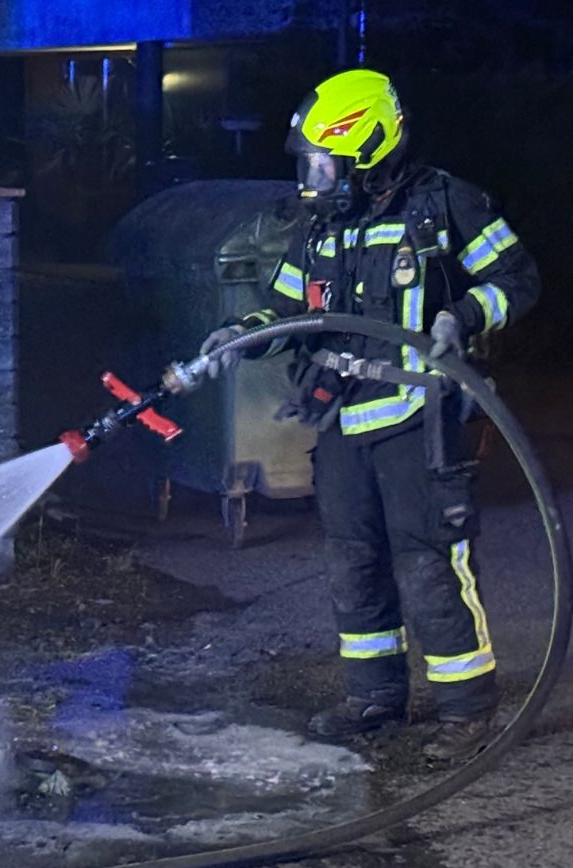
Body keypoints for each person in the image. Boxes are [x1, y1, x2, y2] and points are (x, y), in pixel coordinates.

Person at [195, 69, 540, 762]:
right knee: (352, 562)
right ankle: (375, 698)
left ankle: (465, 709)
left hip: (419, 419)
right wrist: (244, 332)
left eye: (324, 162)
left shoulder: (441, 205)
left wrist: (463, 313)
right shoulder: (322, 226)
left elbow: (516, 278)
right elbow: (291, 309)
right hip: (340, 422)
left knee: (426, 563)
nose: (312, 178)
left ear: (369, 148)